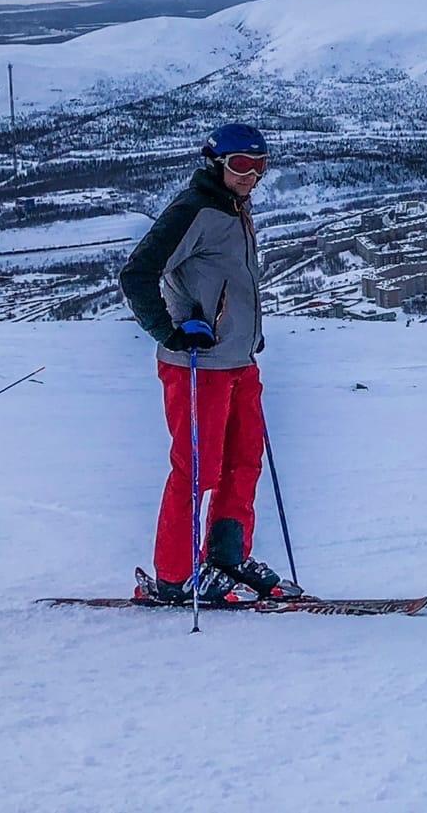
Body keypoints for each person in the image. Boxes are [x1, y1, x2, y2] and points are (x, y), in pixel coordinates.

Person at [117, 122, 295, 603]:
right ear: (217, 164)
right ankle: (175, 577)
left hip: (239, 362)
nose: (251, 175)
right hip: (196, 364)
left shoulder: (236, 207)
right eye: (241, 165)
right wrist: (170, 331)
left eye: (260, 166)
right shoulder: (193, 209)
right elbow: (136, 274)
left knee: (243, 464)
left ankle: (225, 558)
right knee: (197, 470)